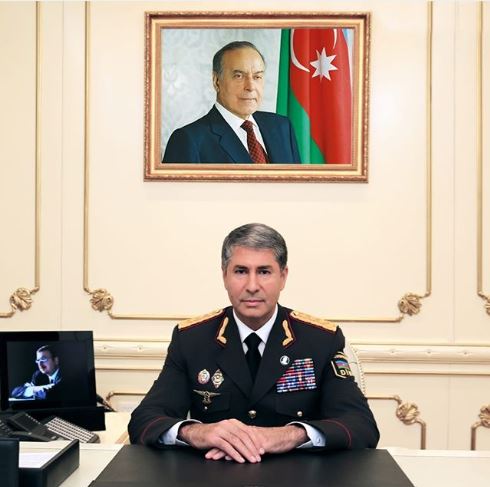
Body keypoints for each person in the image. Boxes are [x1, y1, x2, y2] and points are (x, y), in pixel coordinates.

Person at [129, 223, 379, 462]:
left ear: (283, 277)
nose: (252, 286)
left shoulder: (320, 340)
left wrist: (290, 435)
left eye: (264, 272)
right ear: (224, 276)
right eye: (240, 271)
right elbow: (144, 420)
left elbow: (361, 426)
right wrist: (197, 432)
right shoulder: (192, 339)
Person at [162, 41, 301, 164]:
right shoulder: (188, 140)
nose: (250, 87)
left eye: (257, 76)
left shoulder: (282, 127)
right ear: (217, 81)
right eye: (238, 76)